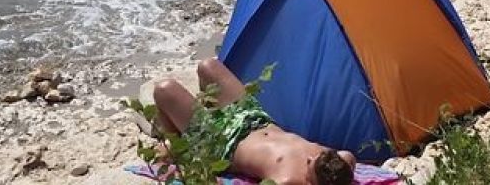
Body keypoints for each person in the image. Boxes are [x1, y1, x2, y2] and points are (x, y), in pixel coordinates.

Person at [152, 58, 357, 185]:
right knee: (208, 66)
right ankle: (195, 122)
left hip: (222, 143)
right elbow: (349, 157)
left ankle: (178, 147)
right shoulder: (340, 162)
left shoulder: (286, 180)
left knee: (164, 89)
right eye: (316, 156)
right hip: (253, 118)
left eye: (309, 167)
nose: (310, 158)